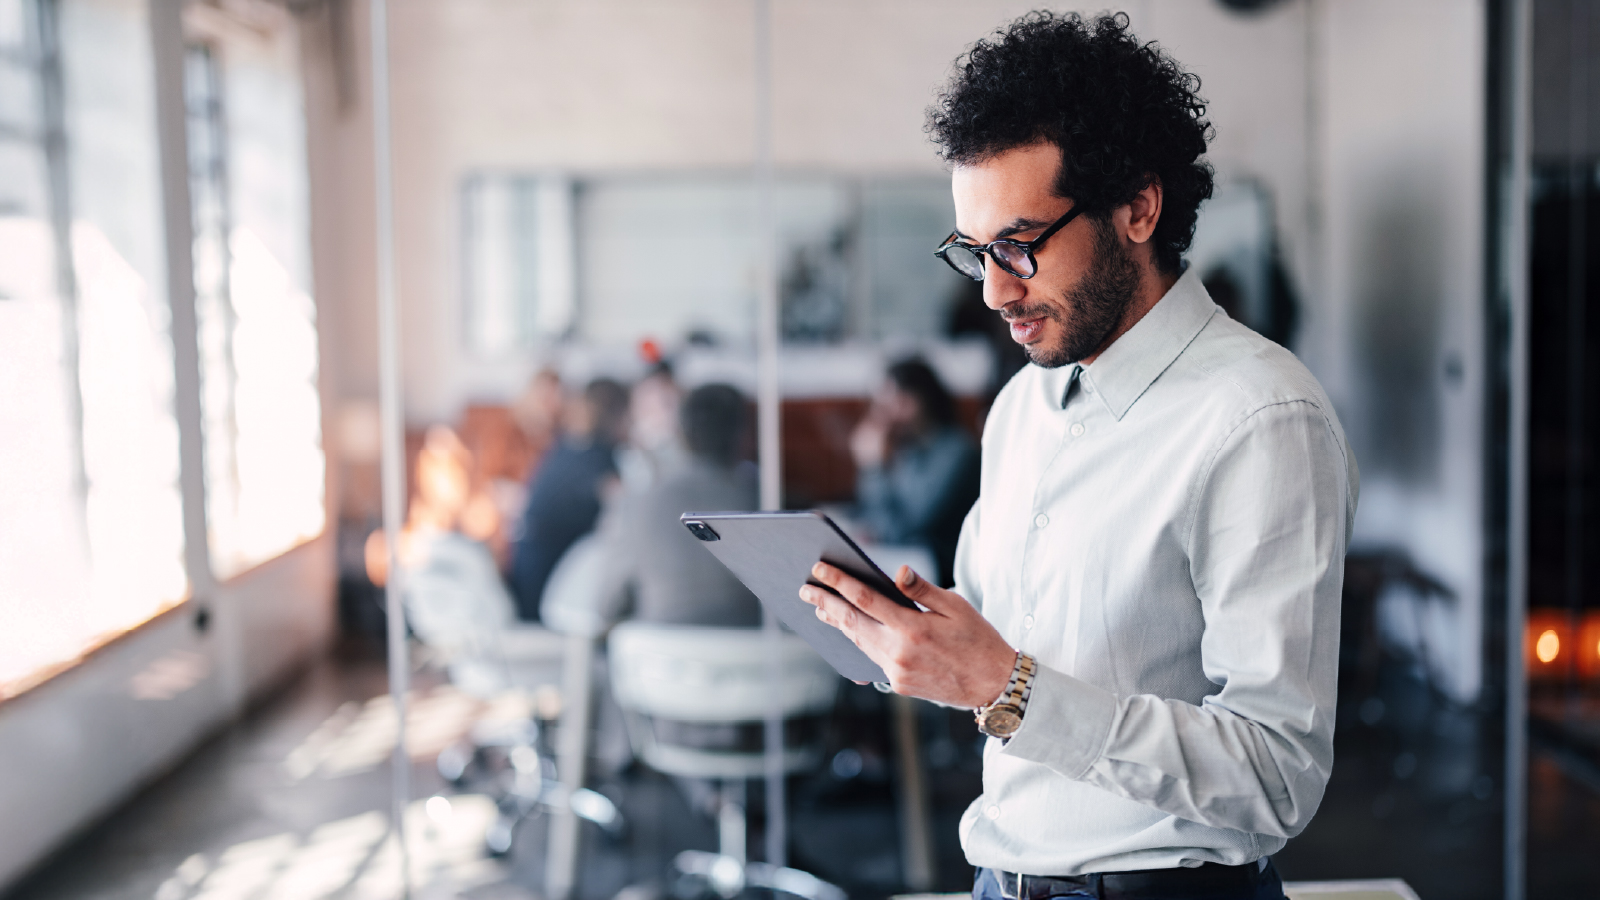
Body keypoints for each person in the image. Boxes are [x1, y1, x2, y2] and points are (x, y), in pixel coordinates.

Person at [798, 13, 1357, 900]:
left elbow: (1276, 775)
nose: (993, 289)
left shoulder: (1258, 417)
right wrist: (921, 641)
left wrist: (1001, 684)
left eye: (1019, 244)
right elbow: (1011, 657)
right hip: (999, 878)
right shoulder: (1024, 406)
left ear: (1138, 206)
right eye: (973, 252)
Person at [585, 383, 762, 627]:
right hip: (759, 656)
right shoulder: (772, 501)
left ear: (681, 433)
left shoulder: (635, 505)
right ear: (744, 435)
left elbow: (607, 606)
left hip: (661, 658)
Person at [850, 357, 980, 586]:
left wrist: (874, 468)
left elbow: (904, 530)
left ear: (919, 401)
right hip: (905, 562)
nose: (885, 416)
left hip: (942, 575)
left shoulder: (957, 453)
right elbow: (872, 515)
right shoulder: (904, 449)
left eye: (893, 403)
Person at [509, 377, 630, 621]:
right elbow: (624, 503)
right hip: (547, 565)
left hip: (528, 553)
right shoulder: (598, 456)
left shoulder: (567, 444)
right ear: (619, 415)